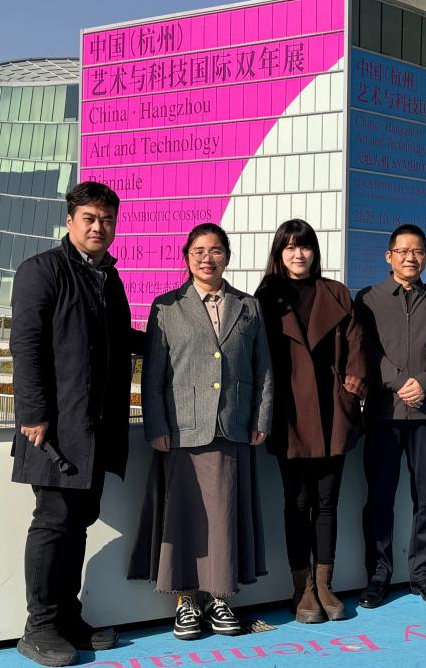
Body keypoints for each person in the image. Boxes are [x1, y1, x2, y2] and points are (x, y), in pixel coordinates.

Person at [10, 181, 144, 667]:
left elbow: (121, 337)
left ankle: (67, 617)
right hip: (55, 429)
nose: (98, 227)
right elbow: (26, 344)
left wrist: (172, 340)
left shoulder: (108, 277)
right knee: (53, 523)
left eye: (107, 219)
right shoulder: (42, 270)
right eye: (89, 218)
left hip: (96, 426)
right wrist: (33, 412)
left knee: (78, 523)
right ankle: (40, 626)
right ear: (70, 221)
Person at [128, 223, 273, 641]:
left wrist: (261, 419)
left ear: (227, 256)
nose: (207, 258)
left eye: (215, 251)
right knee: (184, 517)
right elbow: (153, 375)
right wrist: (156, 426)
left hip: (233, 425)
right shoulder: (166, 307)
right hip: (182, 430)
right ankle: (186, 600)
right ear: (187, 257)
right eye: (198, 251)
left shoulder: (249, 306)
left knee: (224, 516)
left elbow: (263, 369)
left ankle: (220, 597)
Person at [255, 219, 368, 623]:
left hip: (332, 410)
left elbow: (357, 344)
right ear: (279, 253)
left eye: (304, 246)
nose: (298, 254)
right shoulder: (266, 297)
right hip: (288, 414)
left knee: (327, 502)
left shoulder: (336, 292)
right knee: (297, 502)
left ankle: (324, 584)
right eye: (289, 247)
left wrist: (351, 388)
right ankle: (301, 587)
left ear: (314, 252)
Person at [354, 223, 426, 608]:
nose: (409, 257)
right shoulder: (368, 299)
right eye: (402, 251)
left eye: (417, 251)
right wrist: (400, 382)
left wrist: (425, 383)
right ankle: (378, 577)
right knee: (379, 498)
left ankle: (422, 576)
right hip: (383, 414)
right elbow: (366, 348)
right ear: (389, 256)